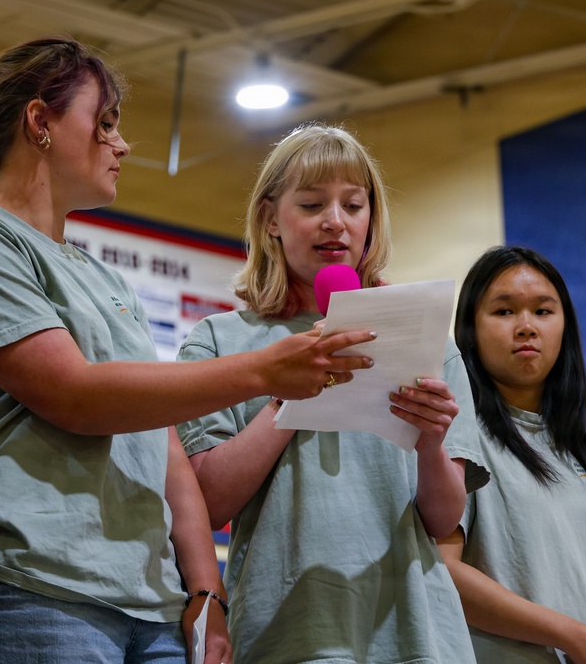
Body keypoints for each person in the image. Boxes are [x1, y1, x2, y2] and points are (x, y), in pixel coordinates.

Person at [0, 39, 374, 664]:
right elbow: (74, 396)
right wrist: (266, 371)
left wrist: (206, 590)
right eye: (105, 123)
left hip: (154, 605)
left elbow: (166, 449)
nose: (122, 144)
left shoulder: (107, 279)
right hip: (38, 585)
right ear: (39, 121)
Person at [175, 123, 489, 663]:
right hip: (289, 630)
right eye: (312, 203)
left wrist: (432, 444)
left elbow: (442, 521)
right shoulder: (220, 341)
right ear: (270, 218)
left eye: (353, 205)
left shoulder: (424, 337)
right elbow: (208, 503)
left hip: (419, 632)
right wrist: (289, 391)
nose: (335, 221)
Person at [439, 245, 586, 663]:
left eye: (542, 311)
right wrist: (573, 636)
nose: (526, 327)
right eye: (504, 311)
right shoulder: (456, 432)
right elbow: (443, 569)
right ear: (470, 329)